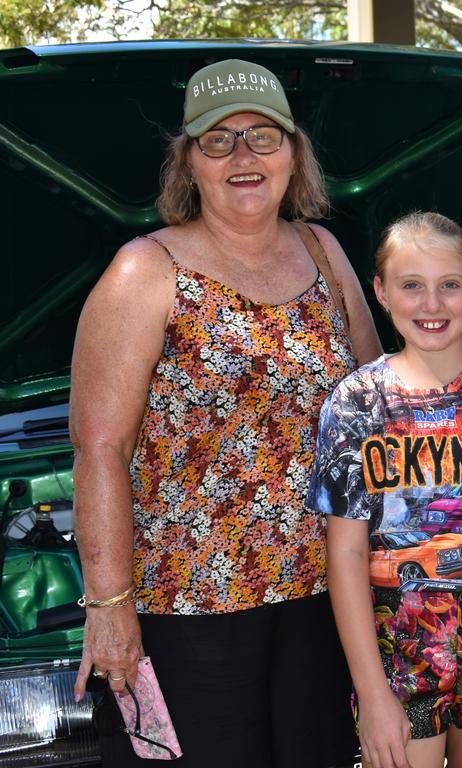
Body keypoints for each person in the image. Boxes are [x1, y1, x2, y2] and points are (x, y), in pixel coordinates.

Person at [69, 58, 382, 767]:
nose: (243, 156)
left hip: (321, 602)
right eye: (219, 140)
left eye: (263, 136)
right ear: (189, 162)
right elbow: (99, 448)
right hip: (184, 616)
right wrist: (110, 607)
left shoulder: (323, 251)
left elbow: (375, 407)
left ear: (293, 153)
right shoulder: (144, 271)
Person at [307, 211, 462, 768]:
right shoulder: (356, 402)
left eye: (450, 285)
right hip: (398, 657)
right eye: (411, 286)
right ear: (381, 292)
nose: (432, 304)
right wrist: (371, 692)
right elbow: (345, 551)